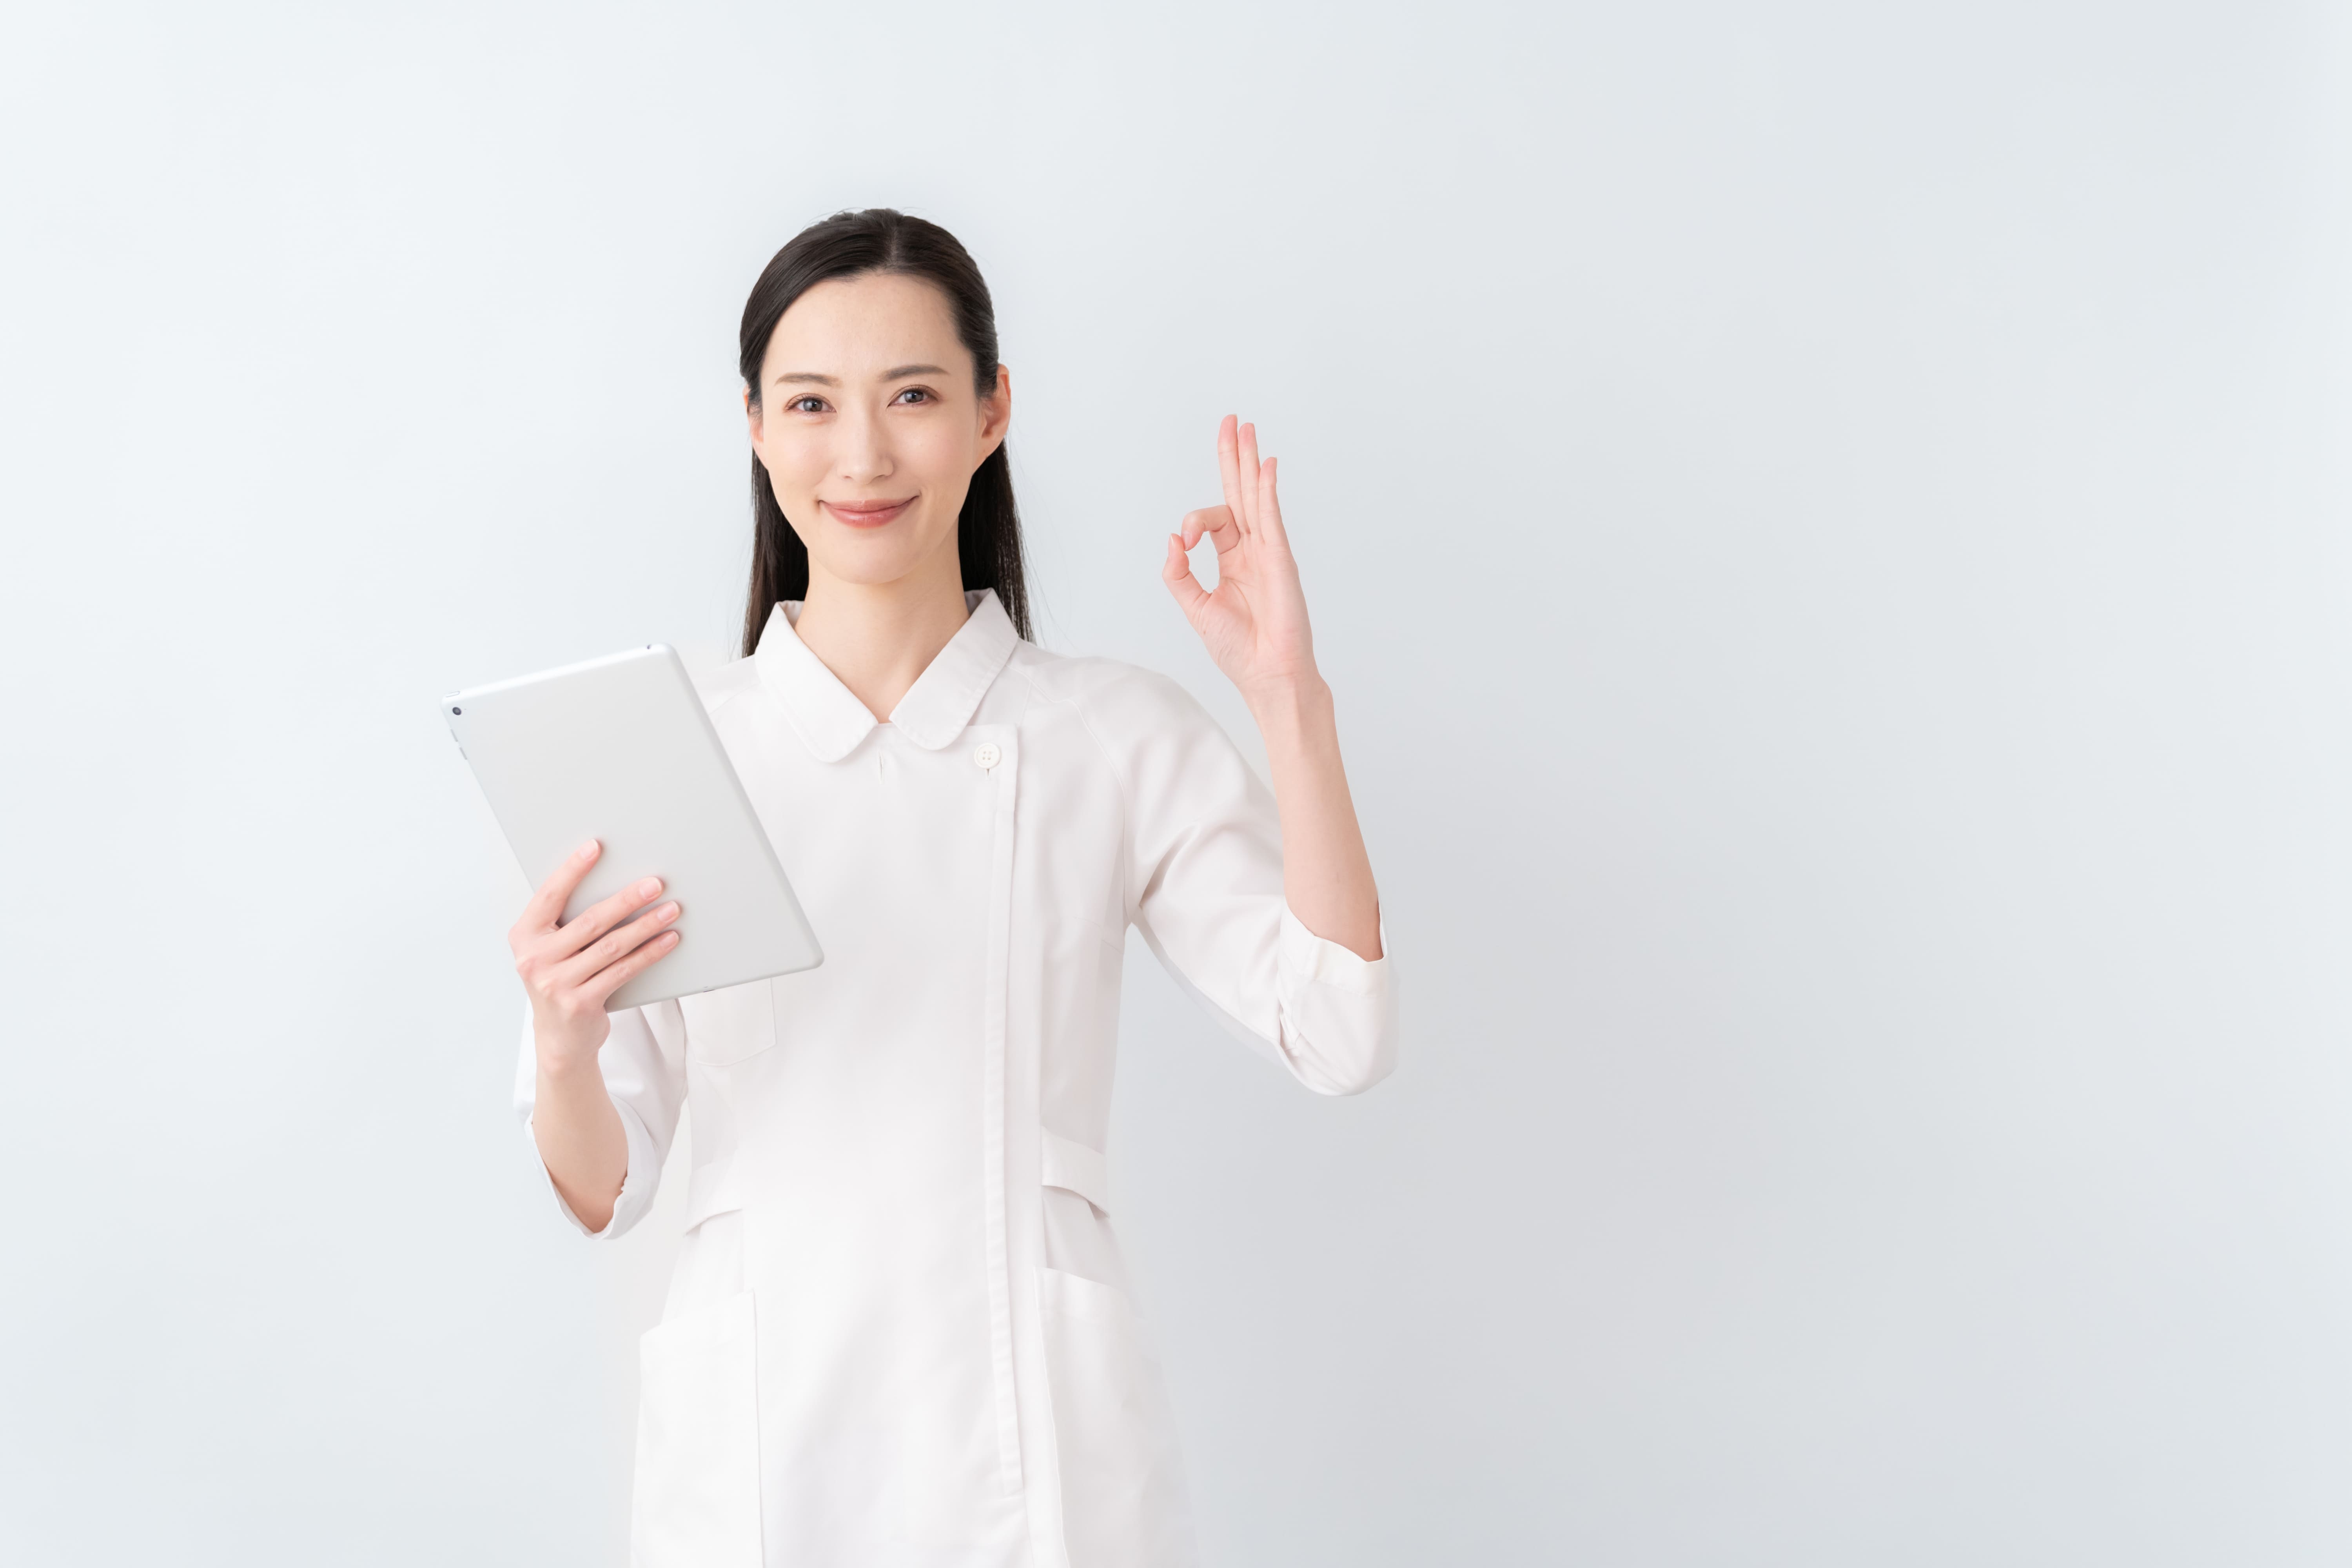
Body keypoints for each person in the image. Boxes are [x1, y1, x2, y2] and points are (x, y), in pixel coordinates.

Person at [508, 208, 1398, 1568]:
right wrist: (565, 1044)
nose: (863, 455)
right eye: (813, 403)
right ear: (755, 426)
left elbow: (1338, 1030)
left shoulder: (1108, 735)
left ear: (992, 413)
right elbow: (602, 1188)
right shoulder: (671, 749)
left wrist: (1291, 700)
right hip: (766, 1447)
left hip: (1037, 1445)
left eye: (914, 396)